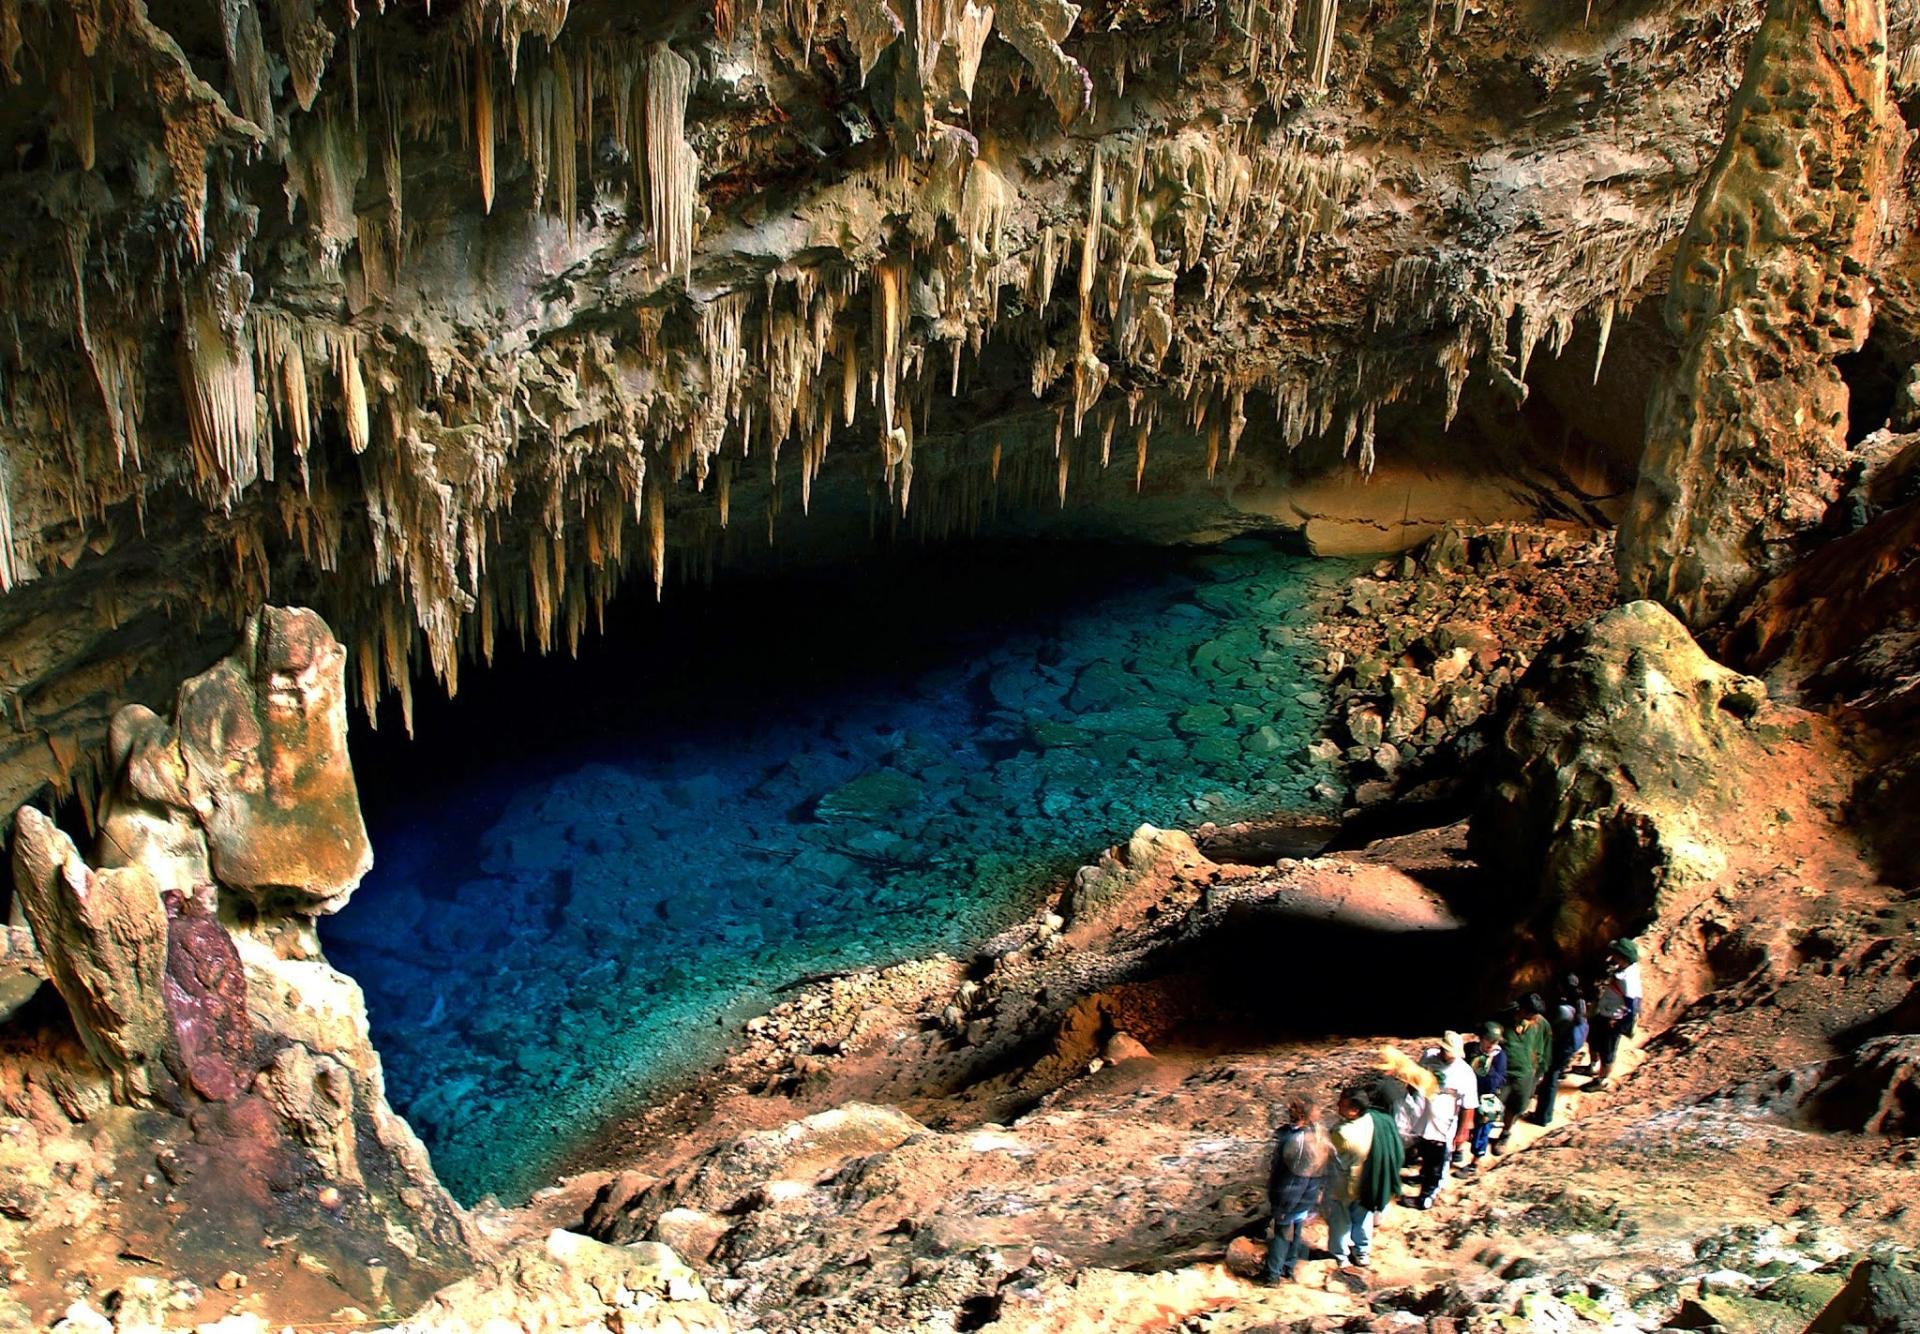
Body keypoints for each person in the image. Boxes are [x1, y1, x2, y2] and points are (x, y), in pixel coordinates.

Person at [1324, 1087, 1404, 1269]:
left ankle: (1341, 1256)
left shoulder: (1342, 1133)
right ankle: (1362, 1253)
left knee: (1340, 1221)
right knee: (1363, 1218)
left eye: (1342, 1105)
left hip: (1346, 1184)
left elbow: (1330, 1150)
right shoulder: (1377, 1120)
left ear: (1355, 1110)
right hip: (1370, 1180)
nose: (1338, 1107)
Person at [1263, 1097, 1330, 1283]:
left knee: (1282, 1234)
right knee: (1297, 1231)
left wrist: (1277, 1197)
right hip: (1308, 1193)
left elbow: (1283, 1171)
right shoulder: (1316, 1135)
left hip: (1289, 1194)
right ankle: (1290, 1268)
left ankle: (1272, 1275)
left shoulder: (1290, 1138)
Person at [1411, 1033, 1477, 1208]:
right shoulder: (1428, 1057)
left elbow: (1469, 1105)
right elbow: (1415, 1078)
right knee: (1424, 1150)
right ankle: (1423, 1176)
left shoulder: (1464, 1073)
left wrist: (1463, 1131)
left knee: (1438, 1158)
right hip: (1423, 1116)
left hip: (1444, 1122)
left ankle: (1428, 1195)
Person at [1533, 974, 1588, 1125]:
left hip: (1564, 1045)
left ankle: (1542, 1117)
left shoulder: (1563, 1009)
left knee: (1550, 1078)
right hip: (1574, 1043)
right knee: (1554, 1075)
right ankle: (1544, 1114)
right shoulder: (1579, 1002)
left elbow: (1551, 1031)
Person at [1588, 940, 1644, 1088]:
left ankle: (1602, 1081)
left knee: (1607, 1052)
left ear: (1623, 958)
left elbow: (1632, 1007)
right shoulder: (1626, 967)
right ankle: (1593, 1067)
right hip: (1603, 1012)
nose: (1612, 956)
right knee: (1593, 1039)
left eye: (1615, 954)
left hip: (1612, 1019)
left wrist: (1619, 1025)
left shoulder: (1628, 981)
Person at [1497, 994, 1549, 1151]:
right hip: (1503, 1074)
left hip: (1525, 1074)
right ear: (1522, 1010)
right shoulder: (1503, 1019)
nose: (1535, 1018)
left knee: (1516, 1106)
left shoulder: (1540, 1024)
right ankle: (1479, 1137)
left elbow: (1545, 1048)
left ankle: (1505, 1134)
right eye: (1531, 1014)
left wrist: (1539, 1072)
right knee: (1491, 1105)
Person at [1465, 1022, 1507, 1168]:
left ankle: (1475, 1160)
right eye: (1489, 1040)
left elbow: (1498, 1080)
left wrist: (1486, 1065)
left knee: (1482, 1128)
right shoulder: (1470, 1049)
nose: (1492, 1044)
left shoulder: (1499, 1057)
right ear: (1481, 1038)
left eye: (1495, 1041)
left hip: (1485, 1097)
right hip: (1468, 1093)